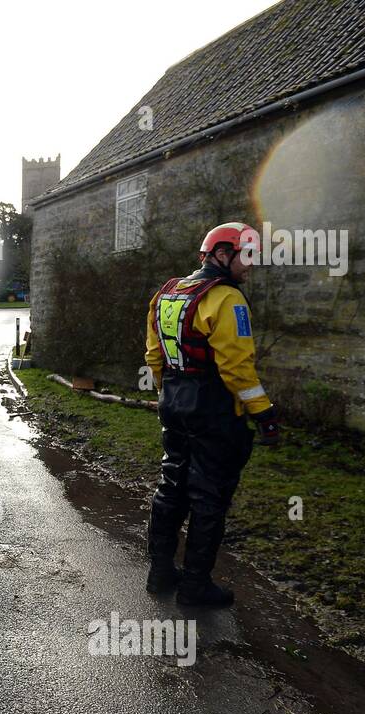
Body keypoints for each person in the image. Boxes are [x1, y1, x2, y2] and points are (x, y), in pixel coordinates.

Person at [144, 222, 281, 607]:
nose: (250, 266)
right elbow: (237, 368)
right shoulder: (227, 299)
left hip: (174, 402)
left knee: (171, 485)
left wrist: (168, 393)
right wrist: (264, 413)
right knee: (209, 497)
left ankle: (160, 573)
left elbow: (155, 356)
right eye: (246, 256)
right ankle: (194, 587)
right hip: (215, 410)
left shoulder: (166, 294)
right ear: (222, 254)